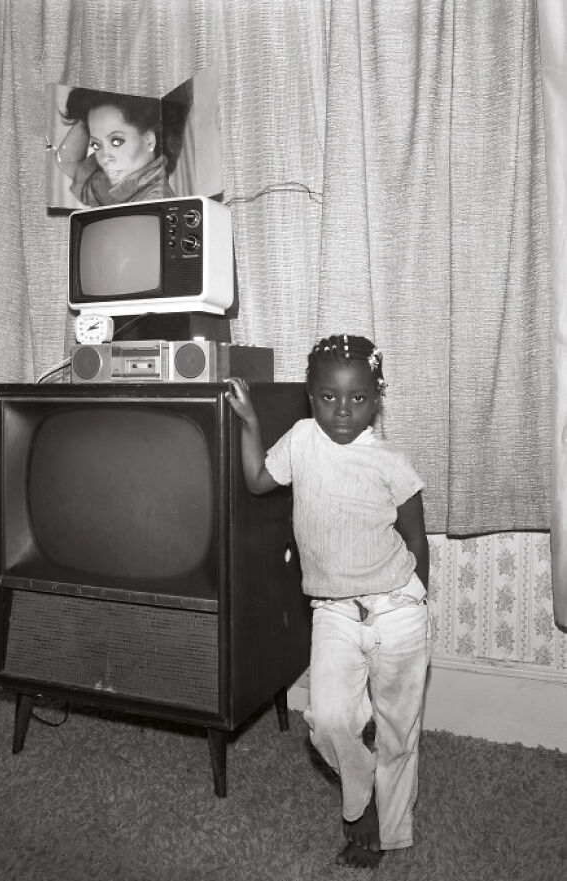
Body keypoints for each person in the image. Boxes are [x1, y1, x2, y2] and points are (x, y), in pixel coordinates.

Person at [226, 334, 430, 870]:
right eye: (328, 398)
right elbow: (255, 480)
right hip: (334, 613)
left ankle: (389, 830)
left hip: (398, 611)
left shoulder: (391, 462)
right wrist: (249, 422)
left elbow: (416, 542)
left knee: (396, 730)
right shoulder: (298, 441)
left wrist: (416, 602)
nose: (343, 410)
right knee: (329, 721)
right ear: (310, 397)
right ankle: (360, 802)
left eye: (358, 398)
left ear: (376, 398)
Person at [55, 88, 178, 207]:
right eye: (96, 145)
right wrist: (87, 117)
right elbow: (67, 162)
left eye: (117, 141)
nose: (104, 158)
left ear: (149, 141)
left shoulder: (155, 202)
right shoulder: (112, 184)